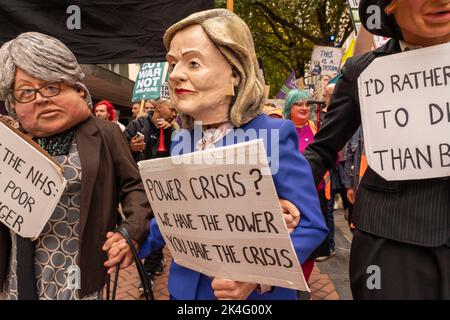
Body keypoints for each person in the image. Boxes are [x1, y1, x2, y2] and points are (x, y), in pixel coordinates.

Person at [107, 9, 328, 300]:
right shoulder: (182, 140)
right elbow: (177, 218)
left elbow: (311, 225)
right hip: (184, 293)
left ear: (234, 72)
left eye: (193, 63)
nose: (175, 75)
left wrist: (256, 277)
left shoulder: (273, 134)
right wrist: (136, 241)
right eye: (172, 64)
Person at [304, 0, 450, 299]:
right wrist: (271, 200)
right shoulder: (362, 70)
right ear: (389, 6)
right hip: (392, 243)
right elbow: (322, 150)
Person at [0, 32, 151, 300]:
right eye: (26, 92)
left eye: (51, 87)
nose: (40, 99)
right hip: (18, 273)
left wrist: (130, 231)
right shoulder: (8, 143)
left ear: (78, 90)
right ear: (12, 104)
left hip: (78, 274)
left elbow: (134, 187)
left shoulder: (106, 134)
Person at [124, 98, 177, 292]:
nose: (173, 113)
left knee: (159, 225)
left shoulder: (175, 130)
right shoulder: (137, 124)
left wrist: (172, 131)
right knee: (142, 225)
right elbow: (120, 149)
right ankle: (154, 259)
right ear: (159, 107)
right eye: (172, 109)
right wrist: (131, 148)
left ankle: (147, 273)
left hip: (163, 188)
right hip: (139, 187)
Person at [283, 89, 332, 277]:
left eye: (306, 104)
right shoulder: (282, 131)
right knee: (294, 244)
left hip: (315, 194)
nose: (304, 107)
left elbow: (329, 156)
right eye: (299, 104)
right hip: (291, 199)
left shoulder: (314, 128)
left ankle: (305, 285)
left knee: (313, 246)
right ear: (289, 108)